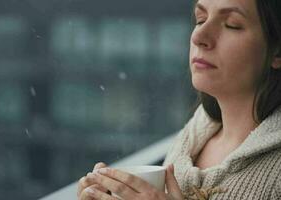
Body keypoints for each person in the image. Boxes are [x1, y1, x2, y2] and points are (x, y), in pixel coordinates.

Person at [77, 0, 281, 199]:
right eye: (200, 19)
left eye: (232, 25)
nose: (199, 36)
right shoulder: (190, 137)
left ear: (277, 51)